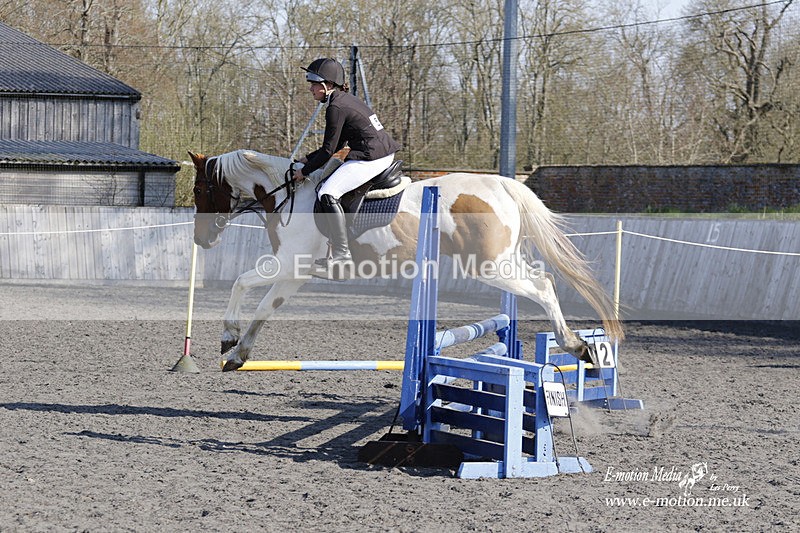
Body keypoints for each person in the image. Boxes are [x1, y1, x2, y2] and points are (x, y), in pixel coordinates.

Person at [293, 58, 401, 278]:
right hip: (377, 151)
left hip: (373, 157)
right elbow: (335, 146)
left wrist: (303, 172)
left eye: (314, 83)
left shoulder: (336, 107)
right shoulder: (343, 101)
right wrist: (306, 159)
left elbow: (327, 151)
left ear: (328, 85)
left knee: (327, 192)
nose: (310, 87)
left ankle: (342, 254)